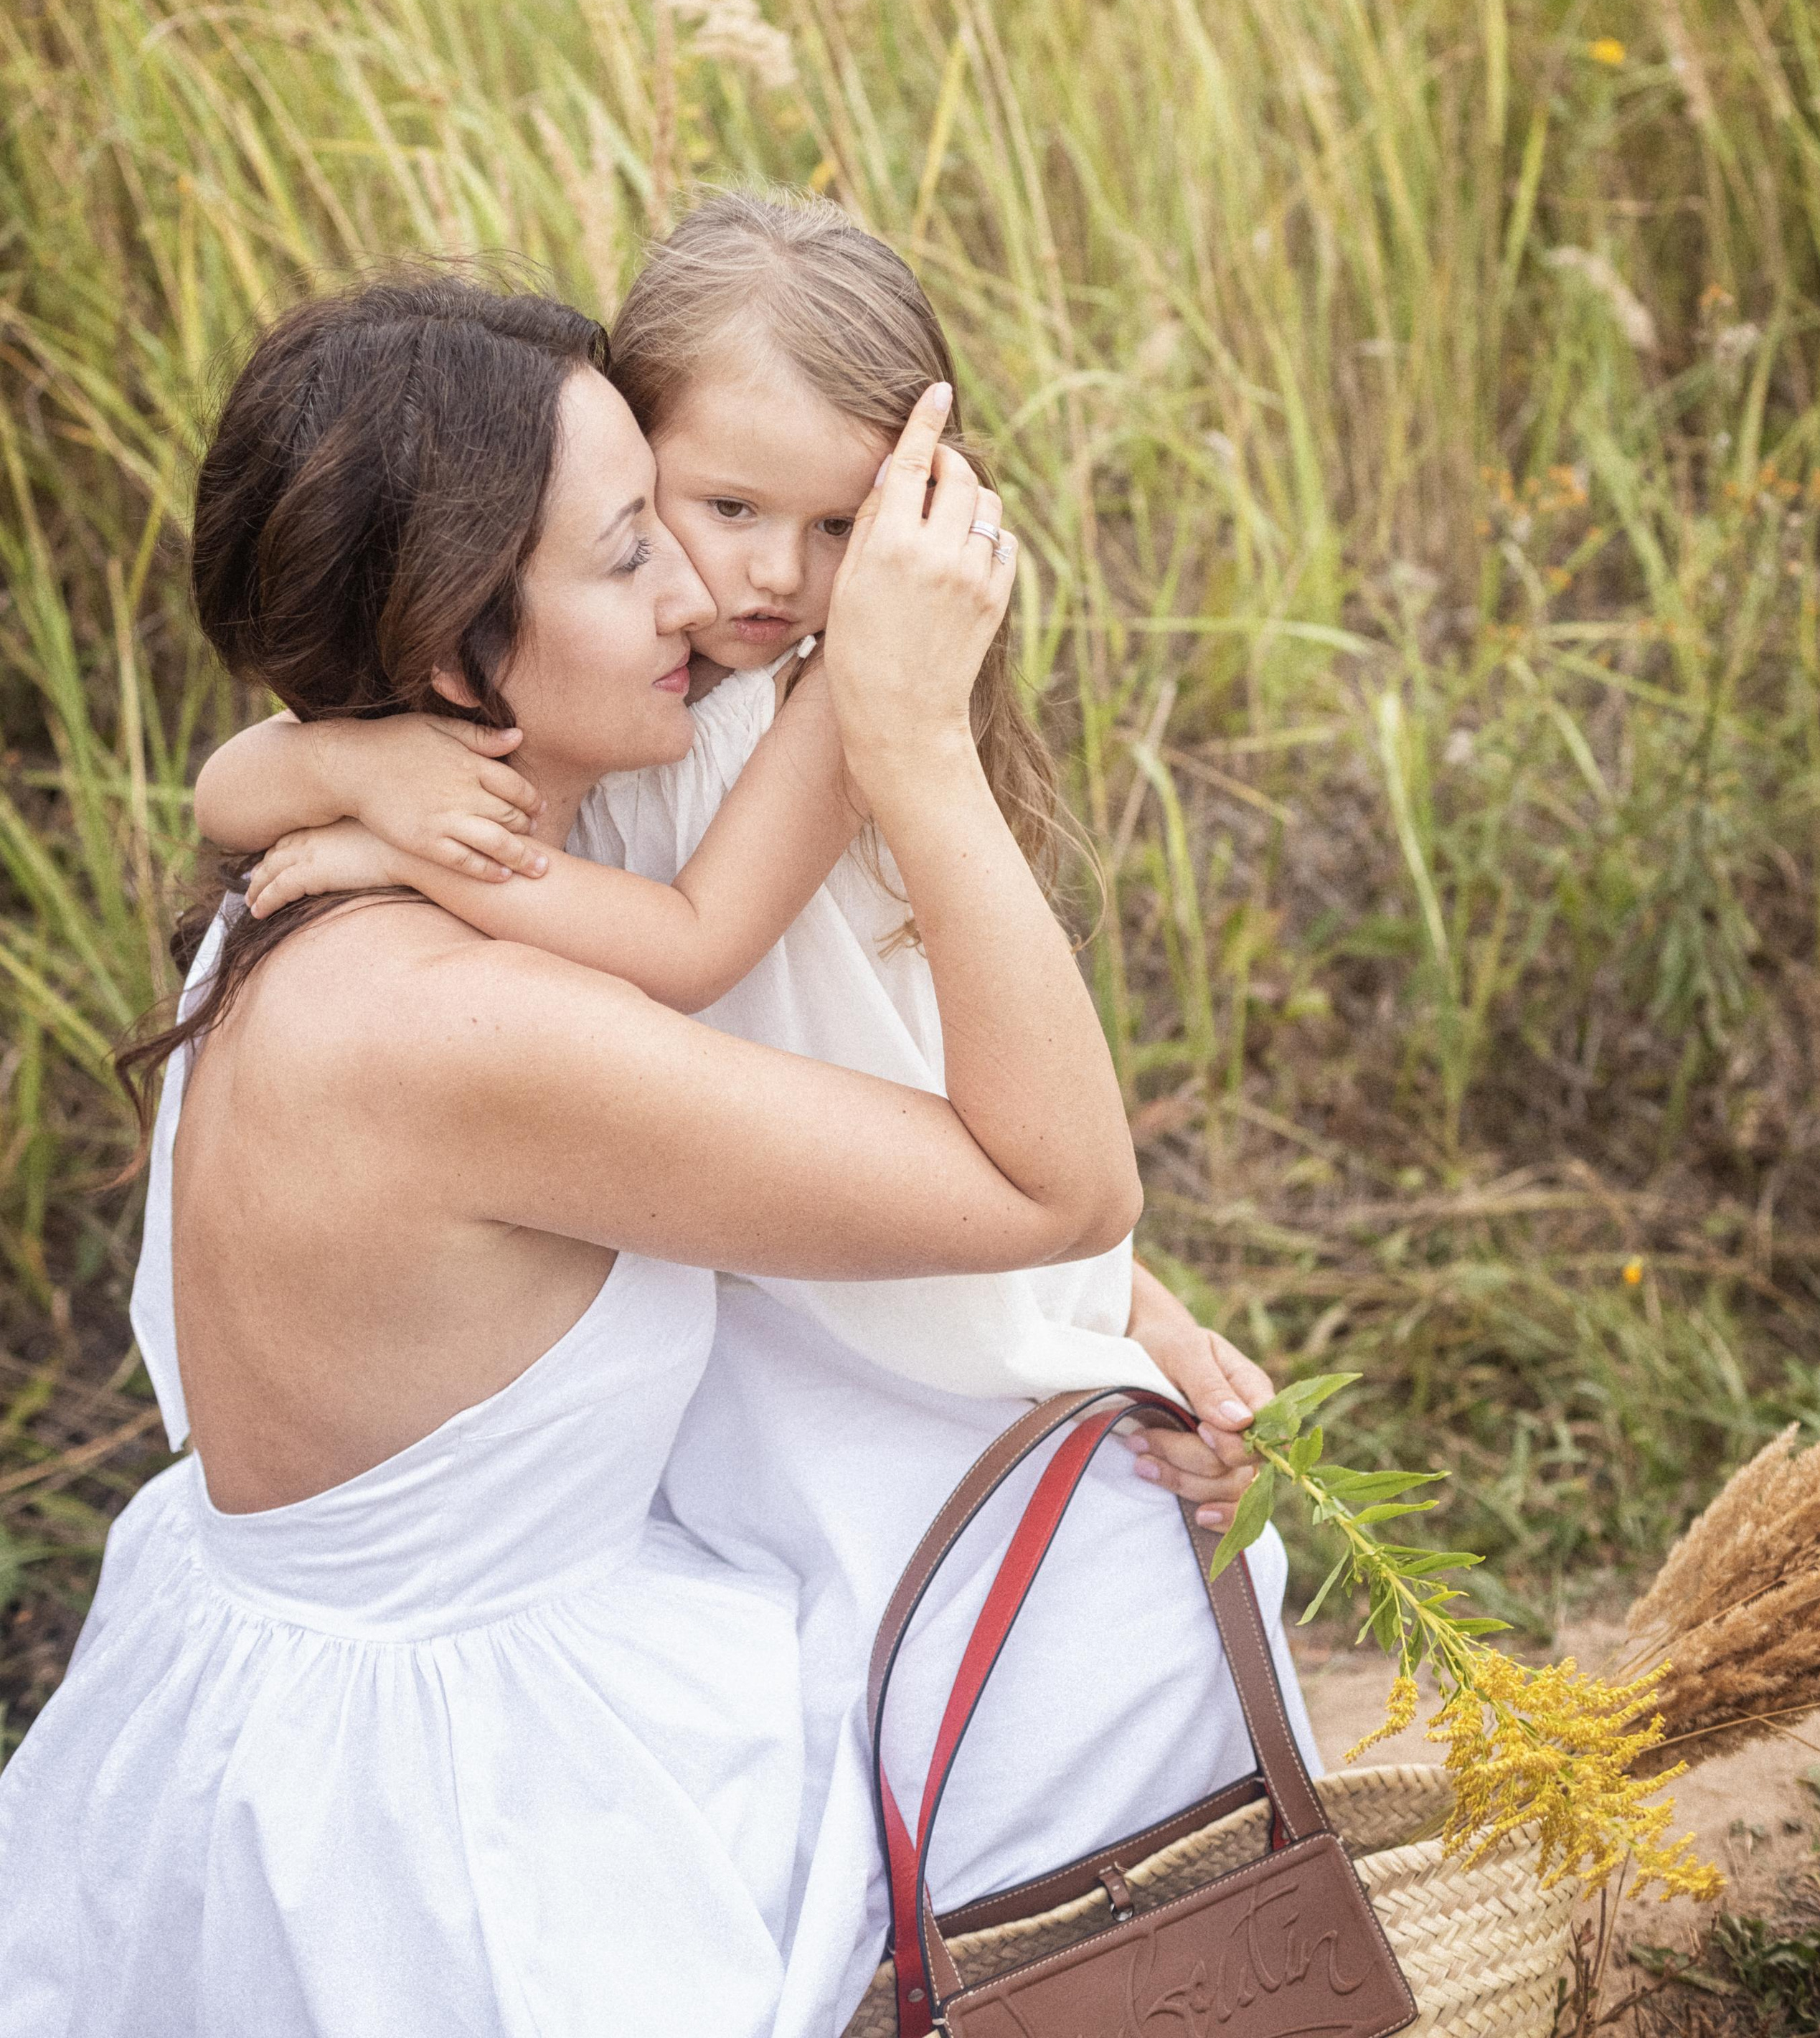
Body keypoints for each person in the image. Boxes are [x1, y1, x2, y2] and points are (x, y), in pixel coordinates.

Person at [194, 204, 1318, 2038]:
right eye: (688, 522)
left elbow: (784, 1007)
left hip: (815, 1247)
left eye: (836, 528)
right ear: (601, 487)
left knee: (1127, 1588)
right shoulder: (525, 801)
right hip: (673, 1302)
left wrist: (1123, 1303)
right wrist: (328, 769)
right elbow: (235, 783)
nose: (760, 583)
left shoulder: (787, 711)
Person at [0, 274, 1145, 2038]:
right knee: (1111, 1684)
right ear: (458, 647)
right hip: (450, 1812)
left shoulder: (329, 870)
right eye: (635, 551)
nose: (715, 591)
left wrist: (341, 762)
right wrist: (910, 737)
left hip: (261, 1676)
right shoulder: (476, 1027)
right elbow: (1051, 1187)